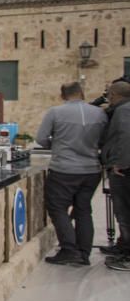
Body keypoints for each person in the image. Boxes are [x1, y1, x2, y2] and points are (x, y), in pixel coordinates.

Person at [36, 81, 108, 266]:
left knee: (58, 208)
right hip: (92, 169)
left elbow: (41, 138)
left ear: (63, 95)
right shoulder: (99, 113)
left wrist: (57, 145)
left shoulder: (56, 112)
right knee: (83, 210)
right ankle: (84, 253)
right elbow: (105, 139)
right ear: (82, 93)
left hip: (64, 170)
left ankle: (69, 250)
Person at [100, 81, 130, 270]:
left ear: (115, 95)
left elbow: (126, 136)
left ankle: (128, 256)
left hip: (124, 170)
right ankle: (124, 246)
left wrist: (121, 163)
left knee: (125, 211)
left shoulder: (124, 111)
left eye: (109, 94)